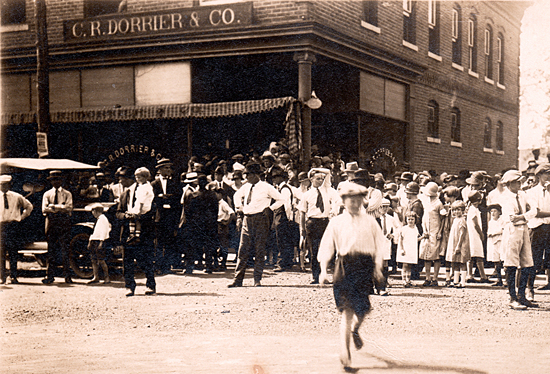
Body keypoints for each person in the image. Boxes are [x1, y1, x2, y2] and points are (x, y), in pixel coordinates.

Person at [318, 183, 384, 371]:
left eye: (357, 201)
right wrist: (323, 270)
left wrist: (378, 267)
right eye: (350, 201)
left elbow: (380, 245)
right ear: (344, 202)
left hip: (364, 268)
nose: (354, 204)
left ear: (363, 201)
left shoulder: (370, 222)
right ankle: (345, 355)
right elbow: (327, 246)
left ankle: (356, 329)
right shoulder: (336, 222)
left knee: (362, 310)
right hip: (344, 267)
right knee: (347, 312)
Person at [499, 170, 537, 309]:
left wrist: (522, 217)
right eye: (517, 182)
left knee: (527, 262)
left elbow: (534, 211)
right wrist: (524, 216)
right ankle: (512, 297)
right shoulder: (505, 197)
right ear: (509, 184)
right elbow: (510, 218)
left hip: (524, 229)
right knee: (511, 262)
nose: (520, 184)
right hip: (512, 231)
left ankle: (522, 296)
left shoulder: (522, 194)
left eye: (520, 181)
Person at [115, 167, 156, 296]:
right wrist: (125, 216)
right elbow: (118, 213)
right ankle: (129, 286)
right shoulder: (124, 195)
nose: (120, 182)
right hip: (128, 231)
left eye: (122, 179)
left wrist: (139, 216)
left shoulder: (146, 191)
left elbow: (153, 210)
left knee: (146, 259)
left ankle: (150, 285)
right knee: (127, 260)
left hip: (144, 230)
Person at [298, 168, 339, 284]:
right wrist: (302, 229)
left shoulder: (326, 190)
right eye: (317, 178)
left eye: (322, 179)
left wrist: (315, 169)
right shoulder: (306, 195)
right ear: (311, 179)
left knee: (326, 249)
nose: (321, 181)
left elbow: (328, 172)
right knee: (313, 250)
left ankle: (324, 275)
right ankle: (315, 276)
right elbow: (302, 212)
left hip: (325, 222)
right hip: (312, 223)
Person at [42, 170, 74, 284]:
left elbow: (69, 207)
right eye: (53, 180)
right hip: (51, 222)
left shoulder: (67, 193)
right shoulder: (47, 194)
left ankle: (67, 276)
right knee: (51, 250)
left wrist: (54, 206)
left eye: (58, 179)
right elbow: (44, 209)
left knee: (65, 249)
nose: (56, 182)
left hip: (63, 222)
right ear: (51, 181)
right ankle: (49, 276)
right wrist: (61, 206)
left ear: (62, 180)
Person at [0, 175, 33, 284]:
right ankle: (2, 277)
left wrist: (21, 217)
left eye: (5, 184)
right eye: (1, 185)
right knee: (1, 252)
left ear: (9, 185)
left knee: (13, 252)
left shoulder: (16, 196)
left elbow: (29, 206)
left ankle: (13, 276)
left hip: (12, 226)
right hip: (1, 226)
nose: (3, 187)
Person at [151, 158, 182, 274]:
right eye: (166, 168)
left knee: (169, 241)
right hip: (159, 217)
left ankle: (167, 265)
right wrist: (159, 198)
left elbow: (177, 200)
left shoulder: (173, 184)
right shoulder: (153, 184)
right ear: (160, 169)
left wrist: (169, 198)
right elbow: (151, 200)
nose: (169, 170)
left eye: (170, 168)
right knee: (159, 242)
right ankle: (158, 265)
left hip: (170, 217)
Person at [525, 163, 550, 292]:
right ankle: (530, 288)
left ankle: (548, 282)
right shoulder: (531, 192)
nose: (549, 176)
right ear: (539, 175)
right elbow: (536, 212)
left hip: (549, 226)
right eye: (547, 173)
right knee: (534, 258)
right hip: (537, 228)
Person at [419, 182, 444, 287]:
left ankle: (435, 278)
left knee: (436, 256)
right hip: (427, 232)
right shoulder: (426, 202)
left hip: (435, 231)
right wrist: (424, 229)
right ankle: (427, 277)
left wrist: (440, 232)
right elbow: (424, 218)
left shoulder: (439, 204)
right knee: (426, 256)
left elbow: (443, 219)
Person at [466, 191, 490, 283]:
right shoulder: (473, 210)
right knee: (478, 254)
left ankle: (471, 275)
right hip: (474, 235)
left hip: (472, 234)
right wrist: (481, 234)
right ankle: (480, 276)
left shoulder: (473, 209)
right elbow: (475, 224)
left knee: (473, 255)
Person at [446, 200, 470, 288]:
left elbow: (462, 234)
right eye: (454, 210)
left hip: (460, 244)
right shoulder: (455, 220)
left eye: (459, 210)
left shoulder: (462, 220)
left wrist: (459, 246)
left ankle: (463, 282)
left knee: (462, 262)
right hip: (454, 244)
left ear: (463, 210)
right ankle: (456, 281)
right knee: (455, 262)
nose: (456, 212)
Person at [126, 167, 154, 244]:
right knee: (135, 219)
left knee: (134, 218)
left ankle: (134, 234)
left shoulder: (144, 188)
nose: (137, 179)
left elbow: (142, 200)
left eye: (139, 177)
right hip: (141, 205)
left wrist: (139, 210)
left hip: (142, 206)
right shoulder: (143, 186)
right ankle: (135, 234)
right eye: (136, 177)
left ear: (145, 177)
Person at [86, 202, 111, 284]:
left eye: (93, 211)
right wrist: (90, 241)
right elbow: (95, 231)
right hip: (94, 240)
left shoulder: (103, 219)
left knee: (101, 260)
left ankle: (106, 278)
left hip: (100, 241)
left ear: (96, 211)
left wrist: (101, 242)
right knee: (93, 259)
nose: (92, 213)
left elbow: (104, 231)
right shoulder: (98, 220)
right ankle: (96, 276)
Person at [397, 211, 423, 287]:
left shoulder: (416, 228)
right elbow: (400, 240)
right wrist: (402, 249)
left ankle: (408, 280)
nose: (410, 221)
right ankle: (404, 280)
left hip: (412, 249)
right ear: (406, 220)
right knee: (405, 265)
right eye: (409, 219)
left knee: (409, 266)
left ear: (415, 220)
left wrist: (423, 237)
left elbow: (416, 239)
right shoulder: (404, 229)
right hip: (405, 249)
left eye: (412, 219)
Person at [487, 204, 504, 287]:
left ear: (499, 212)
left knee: (503, 260)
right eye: (491, 211)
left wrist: (494, 233)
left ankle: (508, 280)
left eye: (495, 211)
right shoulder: (490, 222)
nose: (493, 213)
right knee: (496, 261)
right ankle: (499, 279)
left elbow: (502, 230)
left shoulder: (502, 221)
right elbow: (489, 231)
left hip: (500, 241)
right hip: (493, 242)